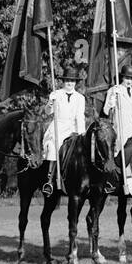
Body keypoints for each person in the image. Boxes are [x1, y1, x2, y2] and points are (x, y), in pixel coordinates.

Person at [42, 67, 86, 196]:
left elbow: (80, 116)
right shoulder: (56, 94)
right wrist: (51, 102)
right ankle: (49, 181)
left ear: (75, 83)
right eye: (67, 80)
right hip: (57, 127)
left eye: (72, 81)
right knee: (52, 148)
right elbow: (48, 112)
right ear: (63, 81)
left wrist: (81, 133)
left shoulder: (80, 98)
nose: (70, 83)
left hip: (72, 129)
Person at [103, 62, 132, 193]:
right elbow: (106, 110)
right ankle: (112, 179)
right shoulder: (114, 90)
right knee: (120, 151)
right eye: (127, 78)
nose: (129, 81)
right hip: (118, 127)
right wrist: (112, 99)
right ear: (122, 78)